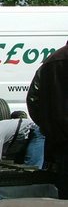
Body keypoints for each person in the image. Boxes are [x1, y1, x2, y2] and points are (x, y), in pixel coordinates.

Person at [27, 41, 68, 198]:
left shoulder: (51, 61)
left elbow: (33, 99)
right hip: (60, 142)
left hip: (60, 143)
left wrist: (49, 127)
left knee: (63, 196)